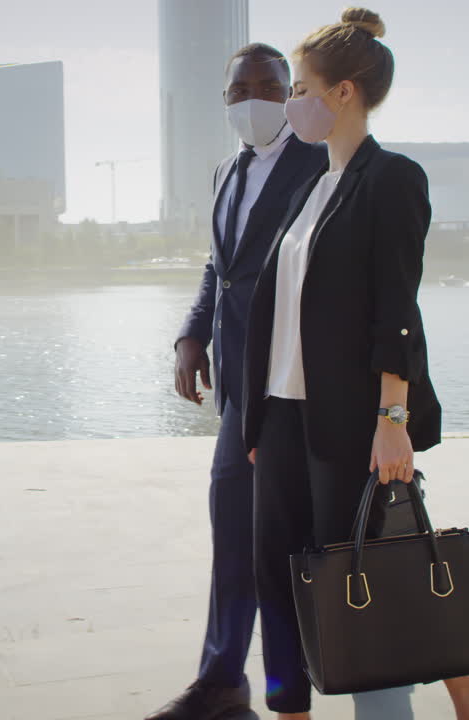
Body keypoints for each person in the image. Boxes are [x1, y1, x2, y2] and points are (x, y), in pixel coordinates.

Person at [240, 8, 469, 720]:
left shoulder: (392, 179)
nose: (291, 104)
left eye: (300, 88)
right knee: (280, 580)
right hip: (284, 422)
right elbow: (281, 313)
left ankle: (416, 704)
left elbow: (397, 312)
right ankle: (293, 709)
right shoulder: (308, 190)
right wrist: (260, 420)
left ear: (343, 92)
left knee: (363, 580)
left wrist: (393, 418)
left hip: (354, 423)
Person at [149, 43, 329, 720]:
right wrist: (191, 335)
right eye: (238, 89)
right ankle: (226, 682)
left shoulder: (320, 164)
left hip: (295, 386)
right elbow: (217, 267)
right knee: (237, 533)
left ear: (292, 92)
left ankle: (293, 689)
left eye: (268, 85)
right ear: (225, 99)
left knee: (294, 547)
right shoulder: (228, 169)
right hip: (238, 388)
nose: (252, 98)